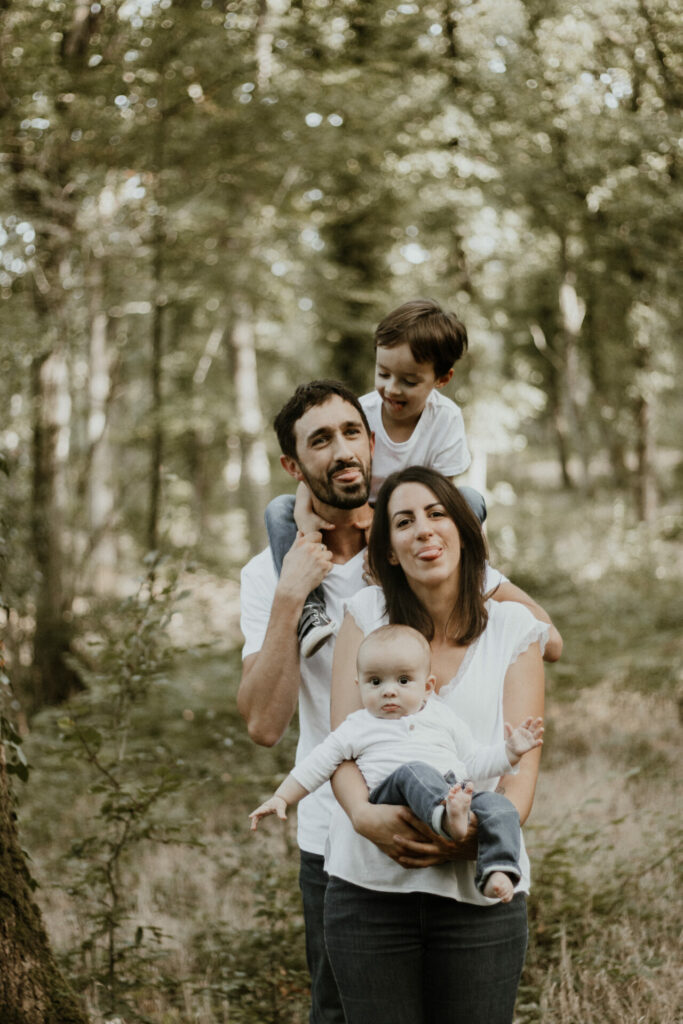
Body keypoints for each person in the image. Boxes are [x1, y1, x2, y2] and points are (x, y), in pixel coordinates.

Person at [238, 380, 561, 1024]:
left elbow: (542, 640)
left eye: (351, 431)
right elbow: (264, 725)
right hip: (342, 838)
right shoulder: (270, 573)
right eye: (319, 441)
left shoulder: (419, 546)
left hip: (455, 822)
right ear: (294, 467)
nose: (342, 451)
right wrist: (290, 595)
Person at [321, 465, 549, 1024]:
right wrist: (361, 816)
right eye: (403, 521)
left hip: (479, 895)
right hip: (368, 890)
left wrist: (465, 843)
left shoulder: (514, 629)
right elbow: (342, 746)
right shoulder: (366, 615)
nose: (423, 529)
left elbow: (519, 777)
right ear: (390, 551)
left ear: (464, 532)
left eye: (437, 513)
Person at [249, 623, 544, 903]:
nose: (389, 691)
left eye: (403, 681)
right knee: (414, 771)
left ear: (427, 686)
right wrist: (282, 796)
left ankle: (497, 869)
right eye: (375, 682)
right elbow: (318, 764)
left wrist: (509, 752)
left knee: (499, 805)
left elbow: (474, 762)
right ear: (359, 685)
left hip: (454, 793)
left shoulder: (441, 718)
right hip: (393, 795)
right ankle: (445, 818)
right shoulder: (358, 726)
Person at [264, 299, 482, 657]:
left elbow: (441, 495)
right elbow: (317, 477)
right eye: (383, 374)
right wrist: (304, 516)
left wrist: (382, 530)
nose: (392, 389)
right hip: (353, 506)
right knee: (278, 509)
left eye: (409, 381)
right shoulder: (359, 413)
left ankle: (460, 589)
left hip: (411, 511)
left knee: (472, 501)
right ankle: (310, 611)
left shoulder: (445, 421)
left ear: (441, 379)